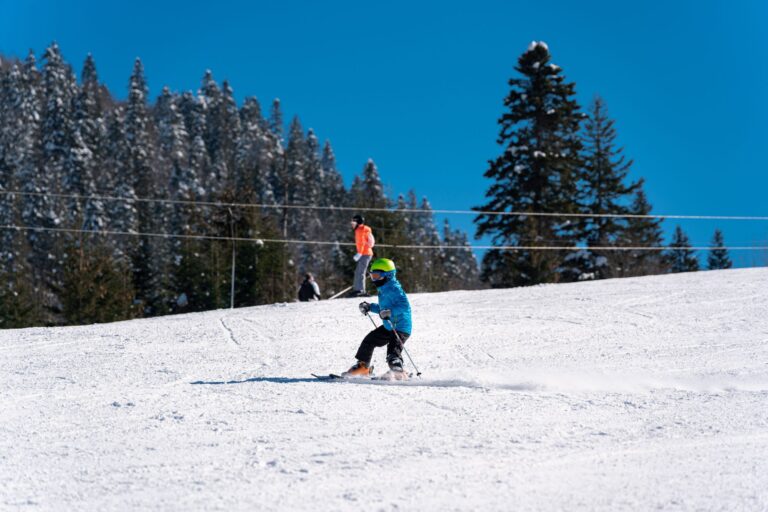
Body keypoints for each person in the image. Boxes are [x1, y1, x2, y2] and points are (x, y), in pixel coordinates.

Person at [342, 258, 412, 381]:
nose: (374, 279)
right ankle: (363, 367)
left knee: (393, 350)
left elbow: (404, 306)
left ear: (388, 275)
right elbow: (382, 308)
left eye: (376, 275)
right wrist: (370, 307)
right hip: (388, 326)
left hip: (401, 327)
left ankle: (398, 371)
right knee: (369, 340)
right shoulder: (383, 289)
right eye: (372, 275)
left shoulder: (395, 289)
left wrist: (390, 312)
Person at [350, 214, 374, 297]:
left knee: (360, 272)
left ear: (358, 222)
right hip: (365, 253)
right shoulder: (363, 229)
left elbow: (361, 242)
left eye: (353, 223)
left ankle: (360, 290)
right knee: (358, 272)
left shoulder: (360, 230)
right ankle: (357, 289)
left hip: (365, 253)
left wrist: (359, 253)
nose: (352, 225)